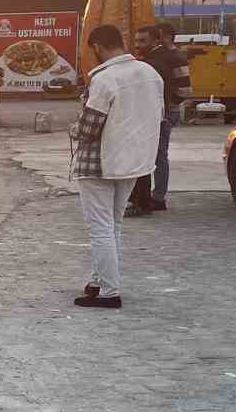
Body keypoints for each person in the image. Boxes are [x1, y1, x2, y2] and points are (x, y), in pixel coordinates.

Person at [71, 23, 163, 309]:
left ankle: (110, 292)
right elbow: (158, 116)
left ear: (97, 47)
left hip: (98, 163)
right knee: (114, 225)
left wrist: (74, 127)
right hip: (134, 161)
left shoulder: (105, 79)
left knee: (100, 227)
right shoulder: (151, 74)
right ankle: (98, 281)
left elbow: (88, 129)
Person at [126, 22, 191, 215]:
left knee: (157, 155)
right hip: (160, 111)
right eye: (136, 40)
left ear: (157, 39)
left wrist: (169, 106)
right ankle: (154, 197)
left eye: (142, 40)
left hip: (163, 112)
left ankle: (157, 197)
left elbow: (185, 90)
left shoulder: (169, 58)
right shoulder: (150, 58)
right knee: (155, 154)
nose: (137, 44)